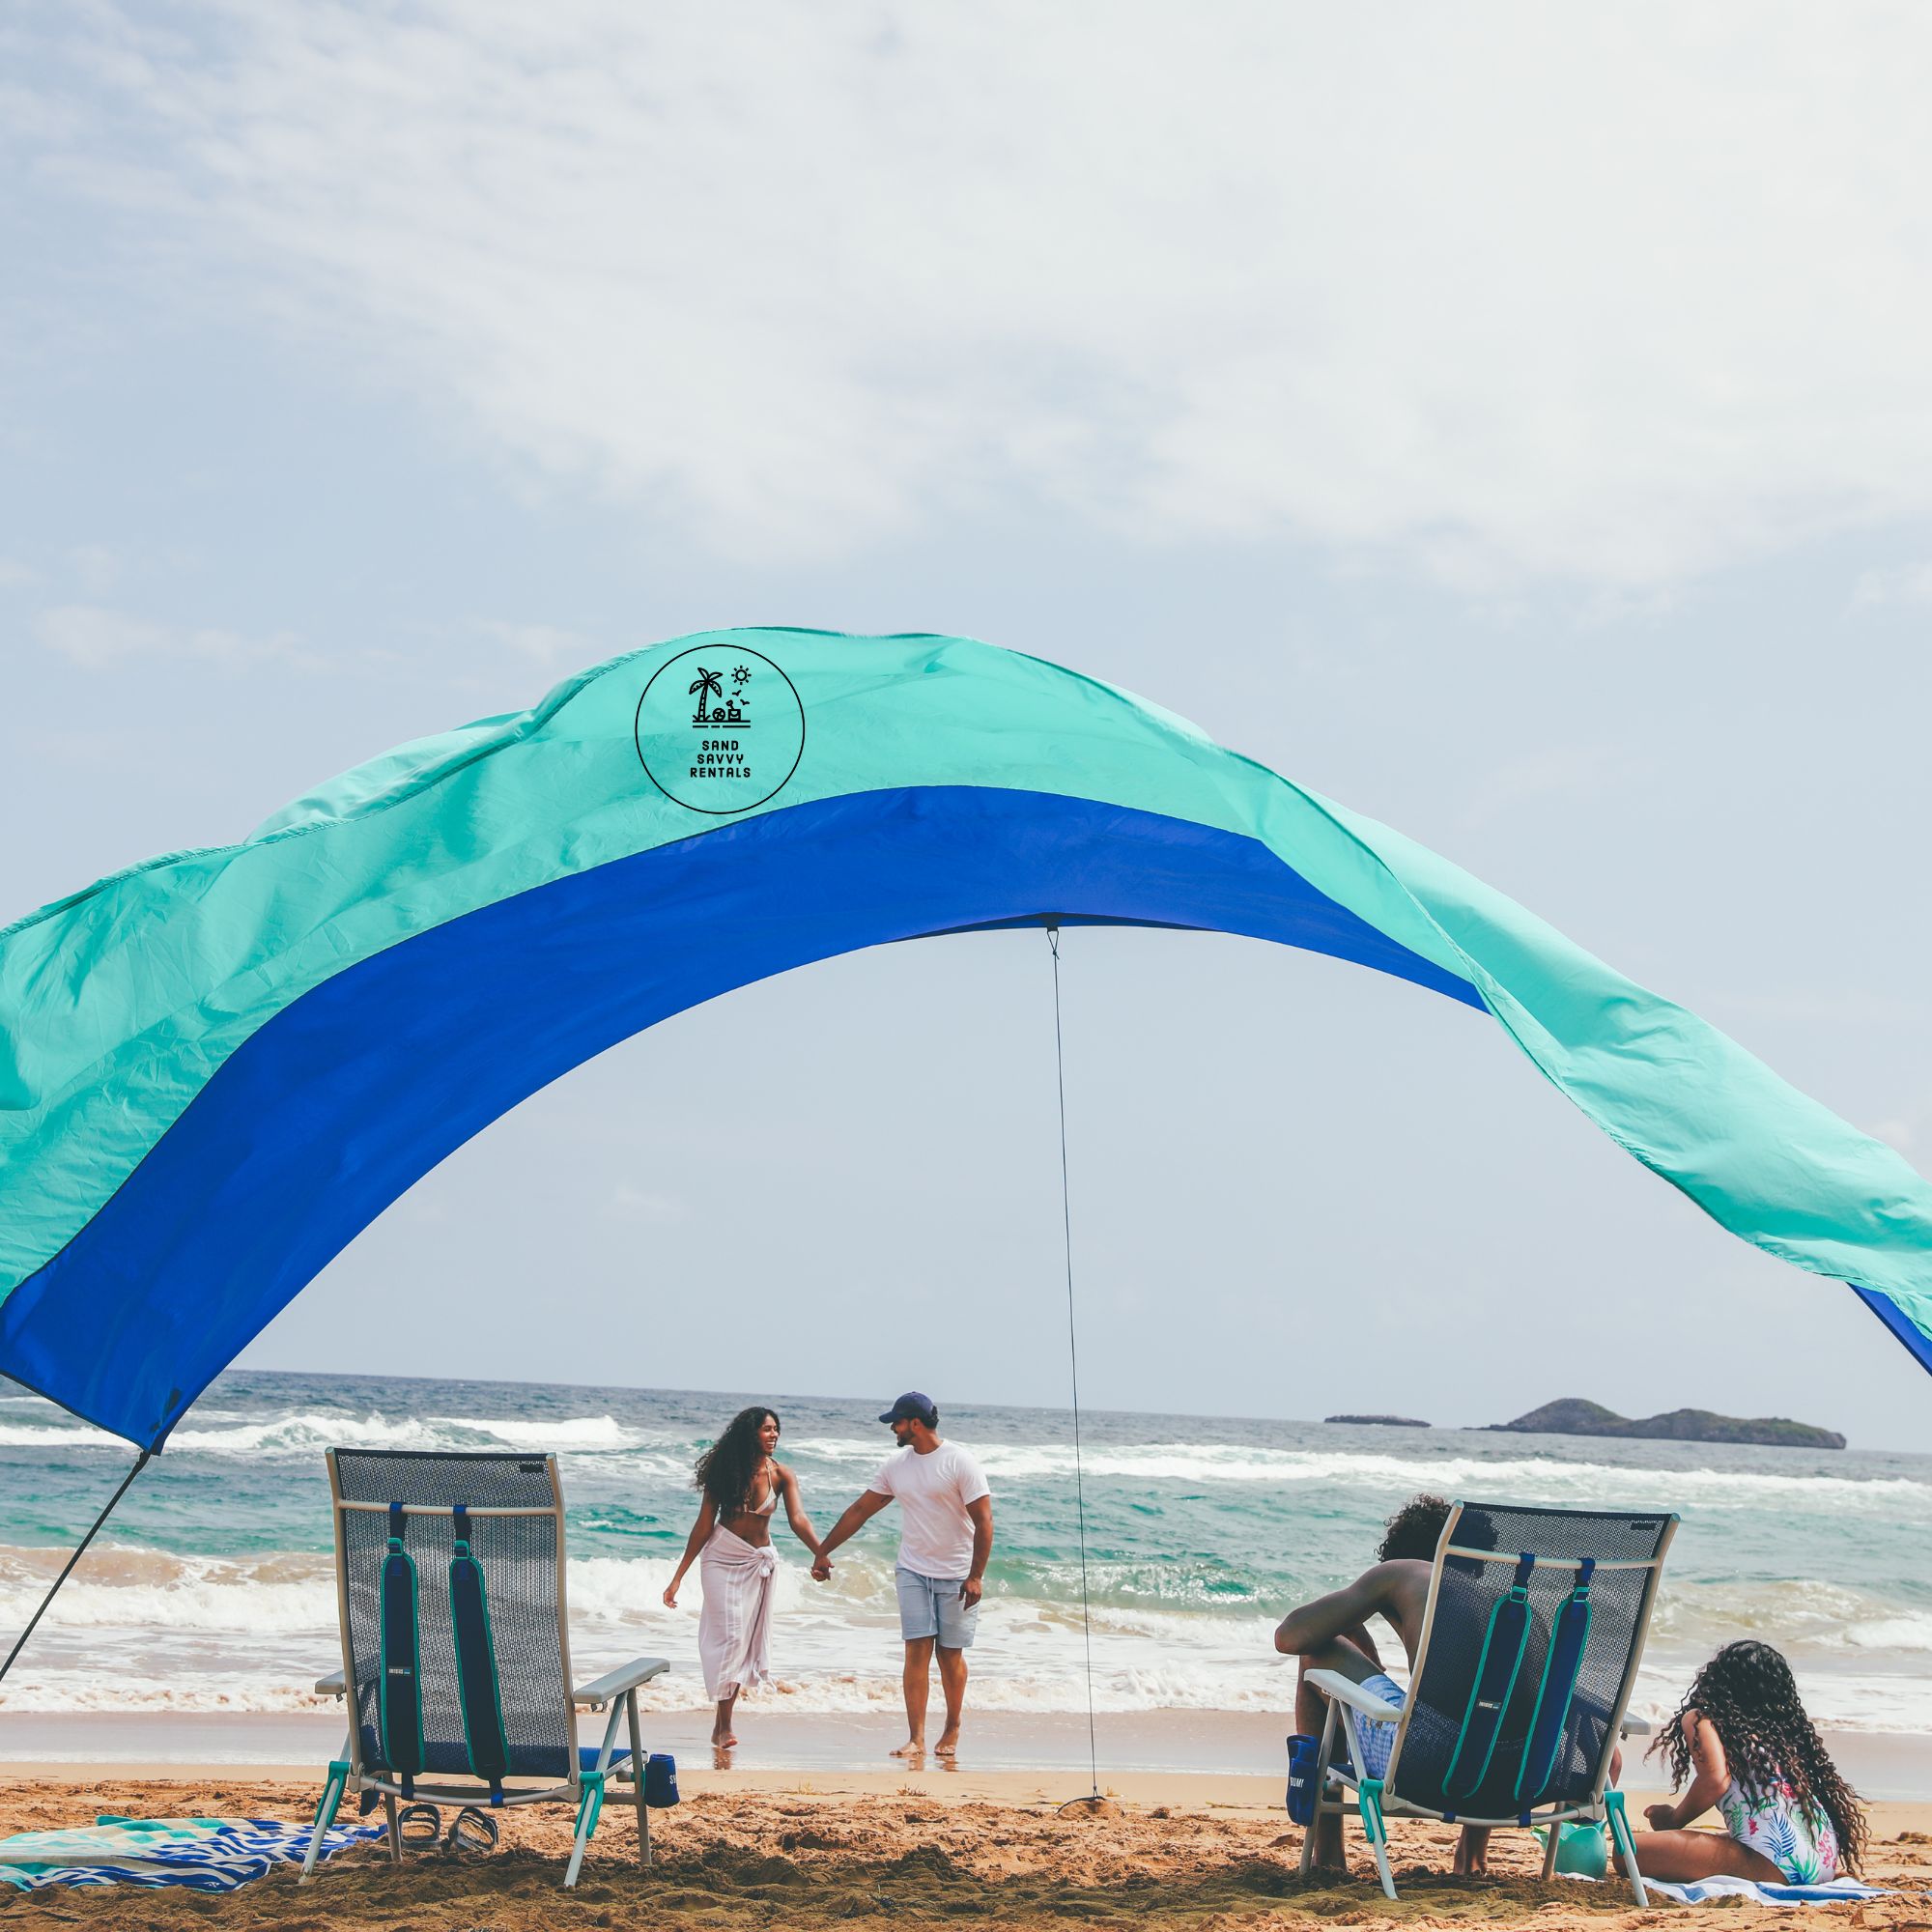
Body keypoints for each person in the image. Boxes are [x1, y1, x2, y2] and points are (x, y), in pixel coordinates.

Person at [1273, 1493, 1493, 1875]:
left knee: (1315, 1657)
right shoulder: (1509, 1605)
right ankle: (1471, 1857)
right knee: (1488, 1712)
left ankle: (1327, 1853)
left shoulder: (1406, 1573)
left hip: (1425, 1767)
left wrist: (1360, 1620)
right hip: (1510, 1777)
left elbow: (1290, 1637)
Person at [810, 1391, 993, 1759]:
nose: (892, 1428)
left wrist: (975, 1576)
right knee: (916, 1650)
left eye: (896, 1421)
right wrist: (823, 1550)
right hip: (912, 1569)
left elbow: (984, 1521)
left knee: (949, 1656)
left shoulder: (960, 1462)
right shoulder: (897, 1466)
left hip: (956, 1573)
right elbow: (861, 1509)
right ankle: (917, 1738)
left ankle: (953, 1726)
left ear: (914, 1423)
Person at [1625, 1639, 1866, 1886]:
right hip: (1824, 1858)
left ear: (1717, 1681)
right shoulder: (1783, 1731)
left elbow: (1715, 1780)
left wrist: (1673, 1820)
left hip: (1773, 1861)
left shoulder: (1702, 1719)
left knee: (1629, 1853)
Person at [663, 1405, 823, 1748]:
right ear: (750, 1433)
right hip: (721, 1559)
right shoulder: (724, 1472)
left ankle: (722, 1725)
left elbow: (799, 1519)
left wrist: (820, 1552)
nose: (774, 1434)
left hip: (756, 1562)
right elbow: (704, 1525)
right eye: (767, 1429)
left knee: (744, 1641)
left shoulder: (781, 1475)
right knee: (733, 1638)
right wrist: (679, 1576)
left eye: (776, 1429)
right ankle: (723, 1725)